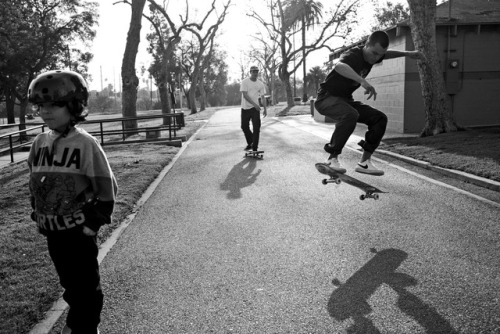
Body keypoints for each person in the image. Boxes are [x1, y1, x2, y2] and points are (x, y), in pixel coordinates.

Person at [27, 70, 118, 334]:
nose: (46, 111)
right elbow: (34, 182)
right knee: (70, 285)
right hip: (53, 233)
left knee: (88, 288)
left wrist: (93, 223)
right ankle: (79, 325)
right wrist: (37, 212)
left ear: (74, 106)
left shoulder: (85, 144)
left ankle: (82, 327)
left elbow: (106, 187)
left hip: (78, 231)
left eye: (54, 104)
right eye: (41, 106)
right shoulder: (39, 142)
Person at [315, 30, 422, 175]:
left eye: (379, 55)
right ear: (366, 45)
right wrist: (362, 81)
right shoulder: (353, 55)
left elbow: (387, 54)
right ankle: (331, 158)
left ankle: (364, 163)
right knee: (350, 115)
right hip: (326, 98)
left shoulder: (375, 55)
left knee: (379, 118)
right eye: (374, 53)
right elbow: (339, 66)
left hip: (345, 100)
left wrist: (408, 54)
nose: (375, 58)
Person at [240, 65, 267, 152]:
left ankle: (255, 148)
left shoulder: (260, 84)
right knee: (244, 127)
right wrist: (255, 104)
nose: (255, 73)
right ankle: (251, 142)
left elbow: (263, 97)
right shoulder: (245, 82)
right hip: (245, 108)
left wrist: (265, 109)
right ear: (250, 72)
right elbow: (245, 95)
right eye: (253, 71)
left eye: (256, 71)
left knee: (256, 128)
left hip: (255, 110)